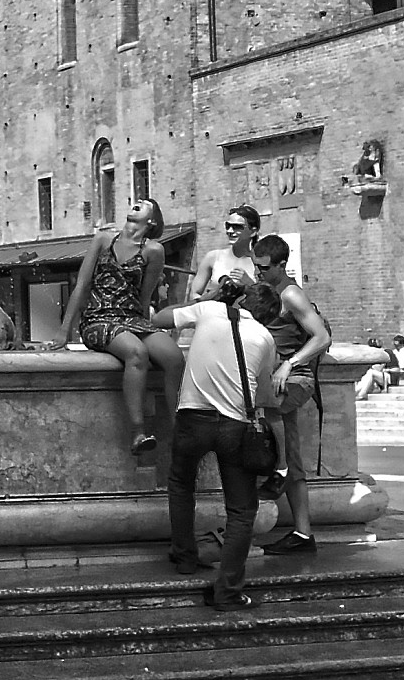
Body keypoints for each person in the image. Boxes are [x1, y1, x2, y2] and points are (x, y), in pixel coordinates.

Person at [166, 277, 281, 611]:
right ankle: (227, 590)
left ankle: (185, 557)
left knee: (180, 484)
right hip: (234, 425)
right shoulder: (265, 337)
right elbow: (262, 395)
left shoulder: (209, 310)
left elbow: (159, 318)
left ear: (241, 300)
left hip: (193, 418)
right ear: (267, 316)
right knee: (242, 511)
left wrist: (213, 295)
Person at [62, 198, 177, 459]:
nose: (136, 202)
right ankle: (138, 431)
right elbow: (81, 285)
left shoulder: (154, 250)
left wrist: (150, 326)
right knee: (137, 353)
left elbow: (145, 296)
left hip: (131, 318)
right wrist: (64, 331)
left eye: (144, 203)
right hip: (97, 318)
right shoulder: (103, 240)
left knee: (173, 357)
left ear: (152, 221)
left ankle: (179, 429)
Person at [251, 236, 334, 556]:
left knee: (263, 409)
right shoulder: (267, 291)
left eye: (264, 268)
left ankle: (279, 469)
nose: (259, 273)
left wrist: (289, 363)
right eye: (256, 267)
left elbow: (322, 337)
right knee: (295, 458)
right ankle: (303, 533)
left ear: (282, 265)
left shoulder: (292, 295)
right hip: (275, 381)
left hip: (293, 381)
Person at [188, 205, 262, 301]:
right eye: (228, 226)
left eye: (237, 227)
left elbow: (265, 300)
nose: (230, 231)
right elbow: (194, 294)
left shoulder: (259, 261)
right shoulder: (213, 257)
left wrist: (249, 285)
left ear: (253, 232)